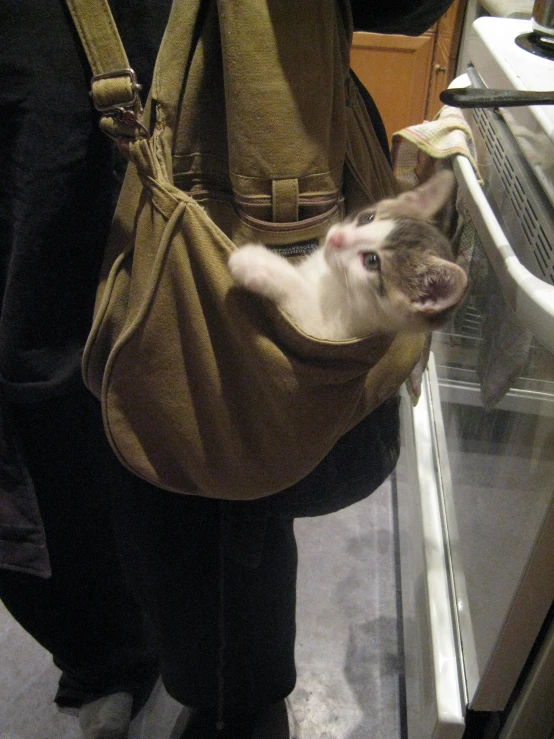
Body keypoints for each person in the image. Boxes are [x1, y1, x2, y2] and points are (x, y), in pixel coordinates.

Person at [0, 2, 456, 739]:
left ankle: (226, 699)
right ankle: (112, 657)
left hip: (219, 178)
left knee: (219, 476)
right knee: (49, 457)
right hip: (36, 180)